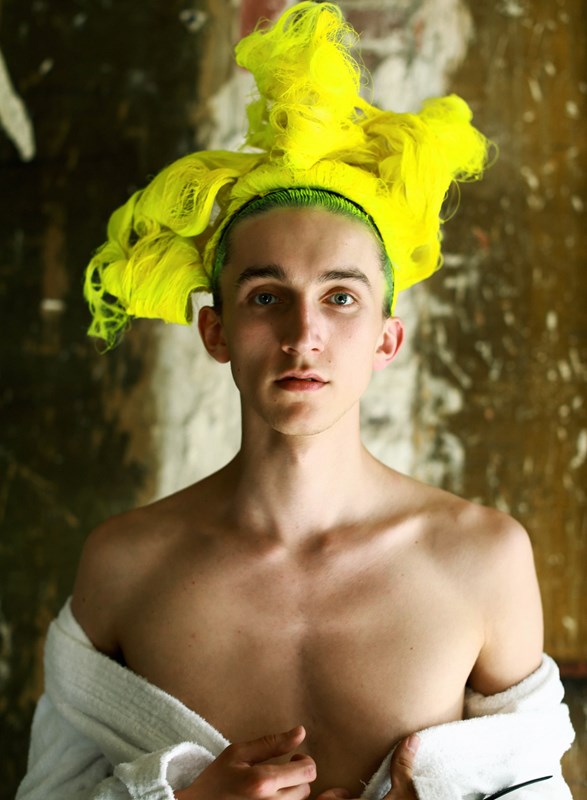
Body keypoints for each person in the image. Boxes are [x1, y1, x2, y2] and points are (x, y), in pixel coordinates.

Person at [17, 3, 574, 799]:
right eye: (266, 297)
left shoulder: (483, 559)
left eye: (340, 298)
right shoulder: (126, 565)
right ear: (215, 331)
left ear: (386, 339)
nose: (303, 334)